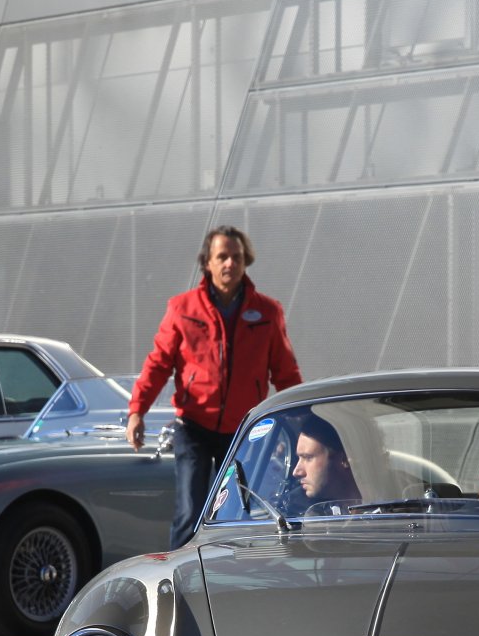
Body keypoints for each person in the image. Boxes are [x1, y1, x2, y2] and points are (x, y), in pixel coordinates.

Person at [127, 226, 302, 547]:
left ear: (245, 261)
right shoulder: (183, 308)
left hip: (243, 430)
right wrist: (137, 411)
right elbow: (158, 364)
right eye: (222, 257)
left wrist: (300, 424)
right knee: (190, 511)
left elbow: (285, 373)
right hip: (193, 426)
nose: (230, 263)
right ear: (207, 262)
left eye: (236, 257)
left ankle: (230, 571)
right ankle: (180, 571)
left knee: (237, 510)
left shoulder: (267, 312)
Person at [285, 413, 361, 516]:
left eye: (308, 458)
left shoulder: (382, 511)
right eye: (299, 458)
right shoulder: (297, 508)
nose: (296, 472)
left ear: (345, 459)